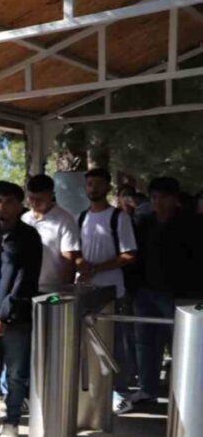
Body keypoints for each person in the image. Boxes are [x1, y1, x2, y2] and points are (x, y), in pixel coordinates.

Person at [0, 182, 42, 437]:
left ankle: (12, 422)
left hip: (15, 317)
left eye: (9, 201)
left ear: (19, 204)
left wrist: (2, 315)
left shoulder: (28, 236)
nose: (2, 207)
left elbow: (24, 281)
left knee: (15, 373)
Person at [128, 177, 203, 410]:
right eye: (153, 197)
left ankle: (185, 391)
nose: (157, 202)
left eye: (162, 197)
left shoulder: (191, 224)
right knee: (145, 343)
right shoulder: (143, 222)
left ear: (174, 199)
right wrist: (135, 287)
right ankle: (147, 390)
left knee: (181, 343)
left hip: (177, 294)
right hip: (145, 292)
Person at [76, 167, 139, 414]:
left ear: (107, 187)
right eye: (90, 184)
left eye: (98, 184)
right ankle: (94, 390)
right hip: (86, 291)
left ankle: (120, 393)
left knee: (116, 344)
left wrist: (98, 268)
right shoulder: (81, 217)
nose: (93, 188)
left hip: (113, 290)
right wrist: (82, 266)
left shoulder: (118, 217)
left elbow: (129, 253)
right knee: (89, 344)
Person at [21, 174, 81, 293]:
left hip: (52, 289)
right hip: (24, 286)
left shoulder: (65, 220)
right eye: (31, 198)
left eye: (40, 199)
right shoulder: (24, 218)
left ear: (51, 195)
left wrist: (64, 291)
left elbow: (69, 260)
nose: (35, 203)